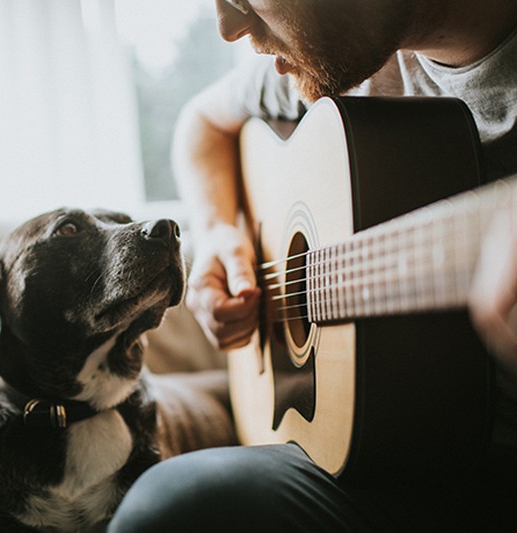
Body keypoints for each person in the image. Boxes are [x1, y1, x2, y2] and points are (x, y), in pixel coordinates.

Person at [108, 0, 517, 531]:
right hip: (391, 459)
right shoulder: (343, 58)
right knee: (169, 507)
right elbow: (203, 124)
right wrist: (218, 232)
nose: (230, 26)